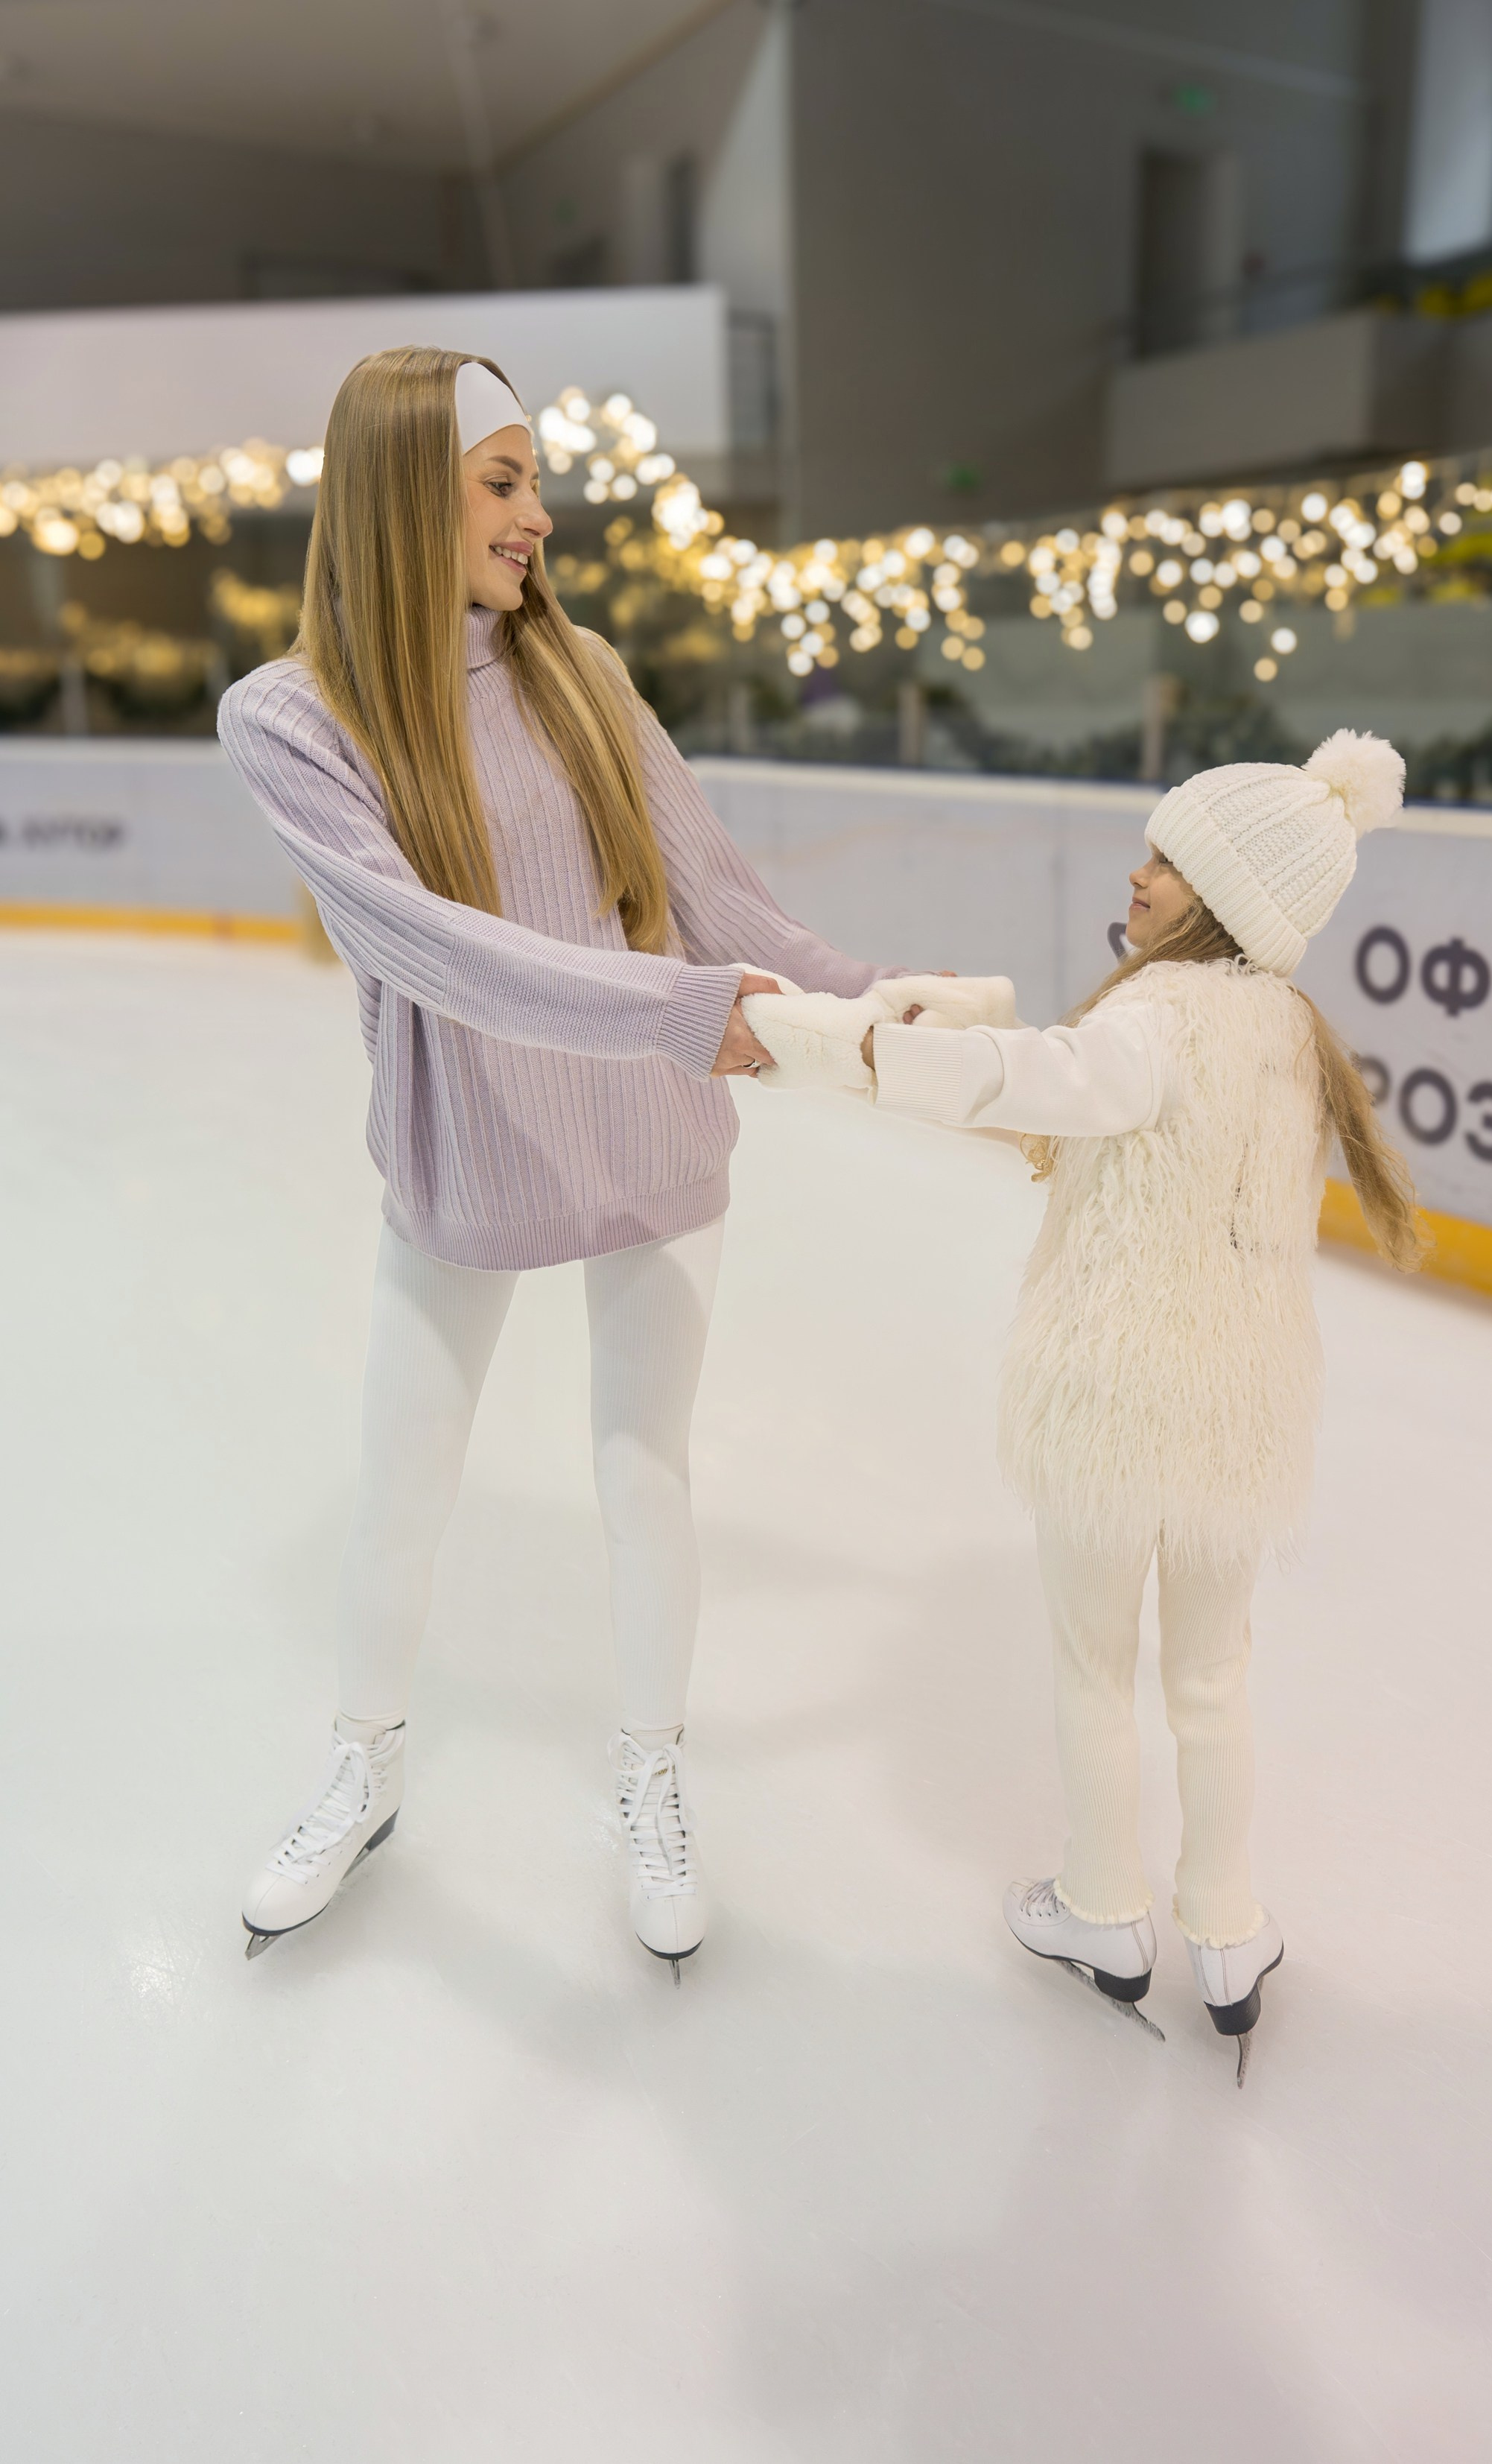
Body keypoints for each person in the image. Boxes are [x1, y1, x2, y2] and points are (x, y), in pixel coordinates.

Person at [218, 345, 935, 1971]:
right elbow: (437, 951)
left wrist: (889, 1016)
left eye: (535, 482)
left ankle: (650, 1768)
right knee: (402, 1481)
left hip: (646, 1130)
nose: (538, 515)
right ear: (409, 488)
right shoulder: (290, 720)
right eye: (503, 480)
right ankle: (365, 1757)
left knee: (643, 1471)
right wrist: (681, 1012)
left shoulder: (579, 670)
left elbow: (717, 898)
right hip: (468, 1141)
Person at [743, 734, 1427, 2074]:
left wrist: (835, 1048)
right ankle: (1225, 1928)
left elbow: (1028, 1082)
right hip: (1240, 1409)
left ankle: (1105, 1914)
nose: (1141, 873)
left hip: (1115, 1394)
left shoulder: (1154, 1020)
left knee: (1091, 1669)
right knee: (1213, 1676)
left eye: (1170, 862)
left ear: (1225, 896)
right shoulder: (1291, 1031)